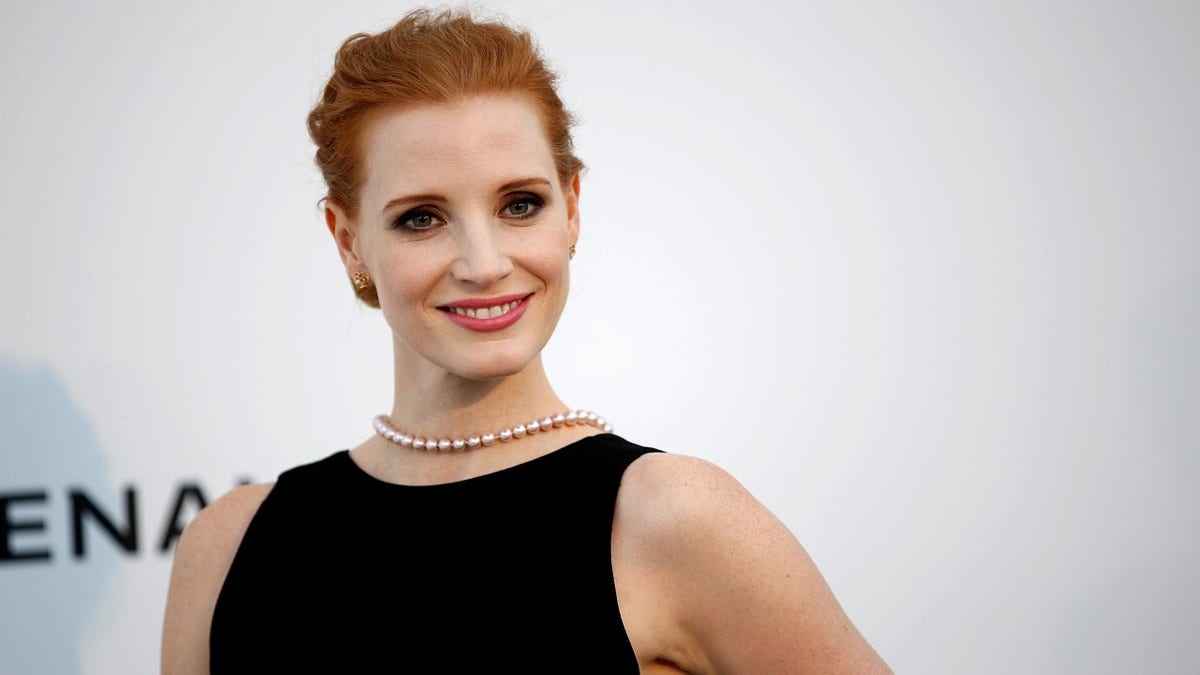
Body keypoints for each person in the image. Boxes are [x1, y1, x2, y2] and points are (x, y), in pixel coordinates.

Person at [161, 8, 891, 674]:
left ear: (570, 209)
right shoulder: (228, 546)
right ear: (349, 241)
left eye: (520, 204)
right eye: (422, 217)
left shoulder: (673, 517)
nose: (483, 264)